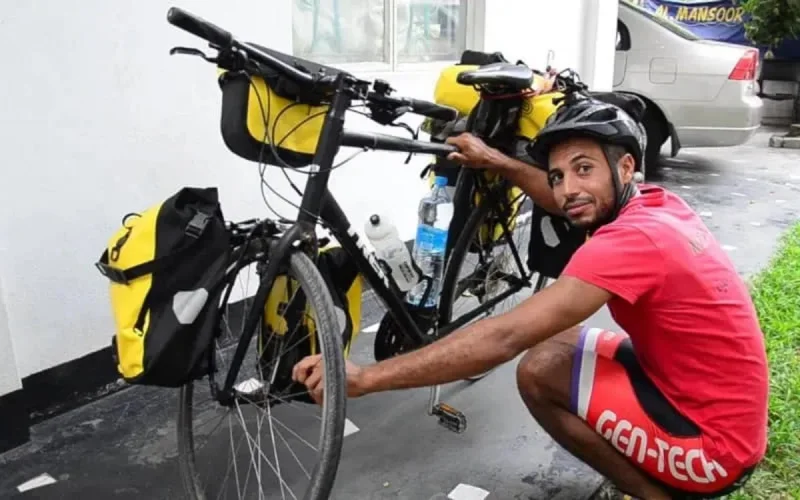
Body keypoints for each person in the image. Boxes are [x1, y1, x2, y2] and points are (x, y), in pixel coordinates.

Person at [292, 94, 769, 499]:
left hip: (713, 450)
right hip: (706, 399)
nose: (568, 190)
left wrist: (366, 379)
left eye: (583, 168)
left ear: (626, 167)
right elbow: (566, 196)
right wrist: (494, 160)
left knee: (537, 372)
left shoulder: (630, 242)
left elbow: (504, 336)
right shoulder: (653, 205)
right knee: (557, 340)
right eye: (560, 175)